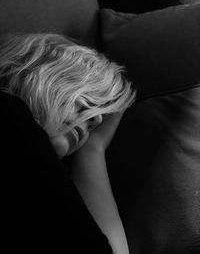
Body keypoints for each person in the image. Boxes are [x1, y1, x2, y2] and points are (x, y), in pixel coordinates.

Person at [0, 33, 136, 254]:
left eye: (99, 111)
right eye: (88, 99)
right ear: (39, 71)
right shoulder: (10, 114)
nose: (97, 118)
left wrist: (93, 149)